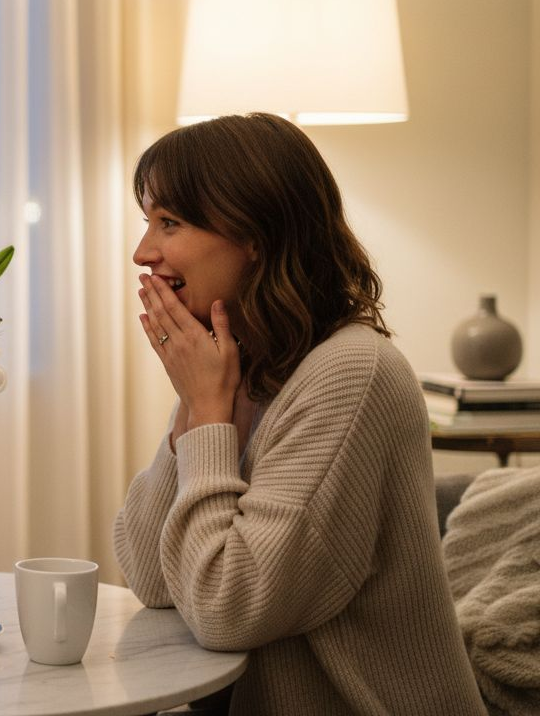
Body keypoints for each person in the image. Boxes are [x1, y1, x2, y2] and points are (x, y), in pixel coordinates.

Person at [113, 113, 486, 715]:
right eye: (148, 222)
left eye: (169, 223)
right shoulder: (241, 368)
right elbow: (153, 581)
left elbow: (226, 609)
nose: (142, 252)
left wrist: (207, 413)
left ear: (255, 235)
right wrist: (195, 406)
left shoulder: (352, 374)